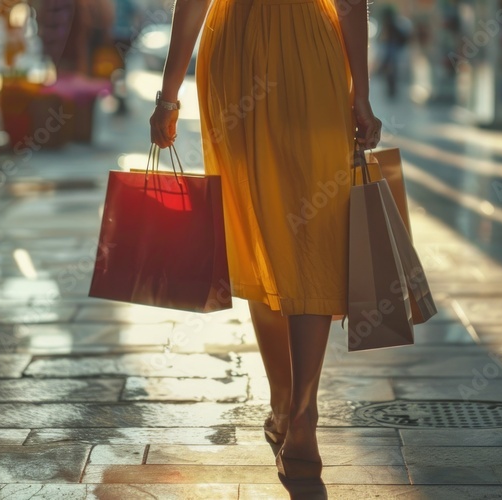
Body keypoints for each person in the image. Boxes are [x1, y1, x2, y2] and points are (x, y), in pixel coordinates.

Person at [149, 0, 382, 481]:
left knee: (257, 233)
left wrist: (168, 97)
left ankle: (282, 404)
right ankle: (301, 412)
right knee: (311, 239)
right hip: (312, 53)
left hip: (235, 50)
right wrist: (360, 92)